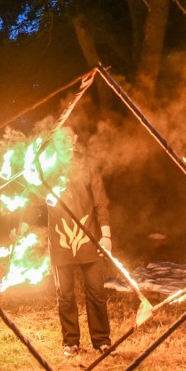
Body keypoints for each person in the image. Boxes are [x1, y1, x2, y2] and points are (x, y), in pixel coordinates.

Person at [47, 153, 113, 357]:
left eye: (68, 137)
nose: (64, 143)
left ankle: (101, 341)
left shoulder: (87, 164)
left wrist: (106, 235)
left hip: (88, 238)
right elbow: (31, 200)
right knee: (65, 295)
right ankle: (70, 342)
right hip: (60, 241)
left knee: (96, 292)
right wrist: (22, 228)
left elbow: (100, 202)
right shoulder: (46, 166)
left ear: (74, 140)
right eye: (60, 138)